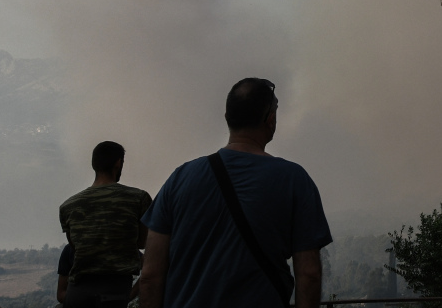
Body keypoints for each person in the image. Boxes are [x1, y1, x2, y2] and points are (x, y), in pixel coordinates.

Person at [141, 78, 331, 308]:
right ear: (270, 120)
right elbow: (309, 275)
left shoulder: (179, 179)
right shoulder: (294, 180)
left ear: (227, 118)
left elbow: (150, 275)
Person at [59, 142, 151, 308]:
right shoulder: (138, 199)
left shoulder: (68, 206)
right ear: (118, 163)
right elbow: (143, 242)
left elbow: (76, 247)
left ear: (94, 165)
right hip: (114, 291)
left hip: (76, 293)